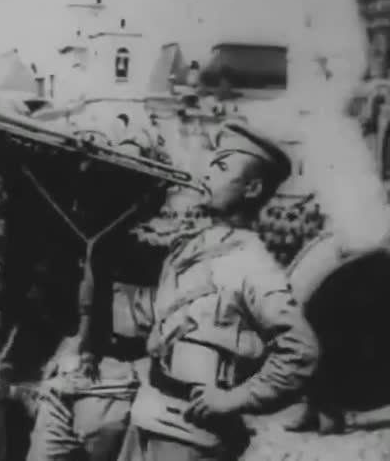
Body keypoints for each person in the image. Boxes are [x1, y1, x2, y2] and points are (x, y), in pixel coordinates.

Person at [116, 119, 320, 461]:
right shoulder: (191, 245)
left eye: (222, 167)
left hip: (192, 436)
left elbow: (300, 351)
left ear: (252, 189)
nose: (206, 174)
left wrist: (235, 398)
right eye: (211, 164)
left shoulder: (252, 263)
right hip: (148, 415)